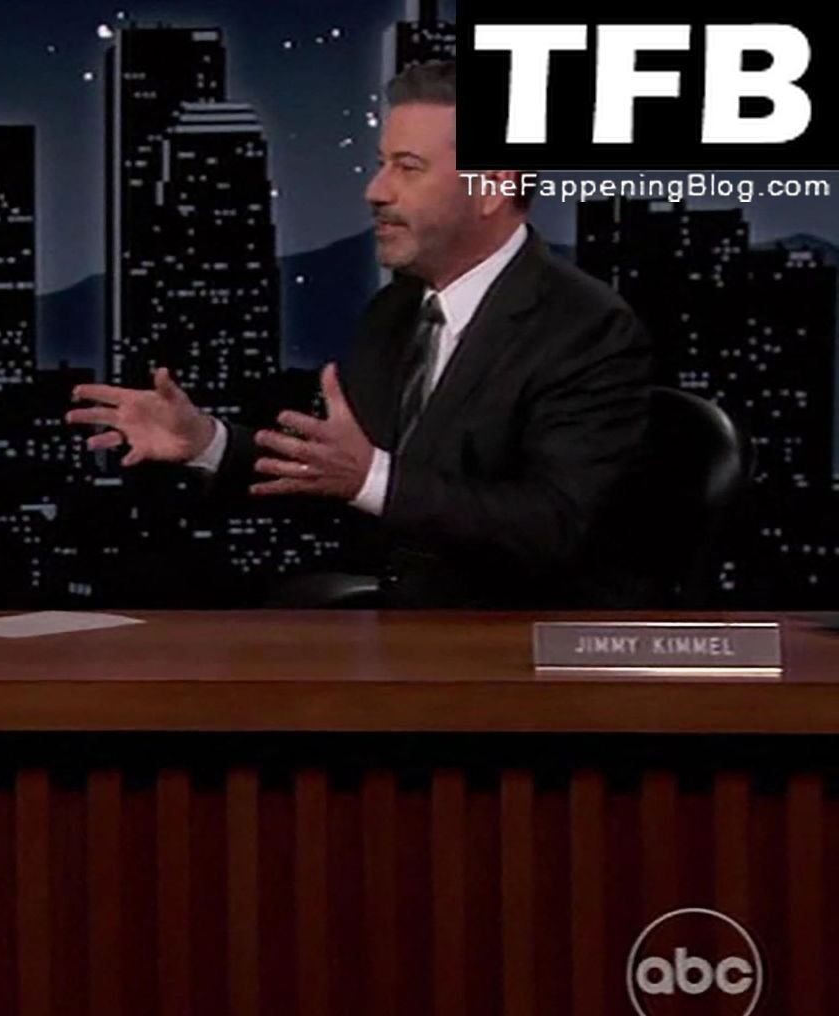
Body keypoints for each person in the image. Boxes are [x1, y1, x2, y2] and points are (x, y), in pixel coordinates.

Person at [67, 61, 657, 609]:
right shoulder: (392, 312)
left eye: (408, 167)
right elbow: (328, 464)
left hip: (508, 647)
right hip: (388, 632)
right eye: (382, 163)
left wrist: (372, 477)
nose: (376, 190)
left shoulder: (586, 329)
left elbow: (552, 523)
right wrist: (207, 441)